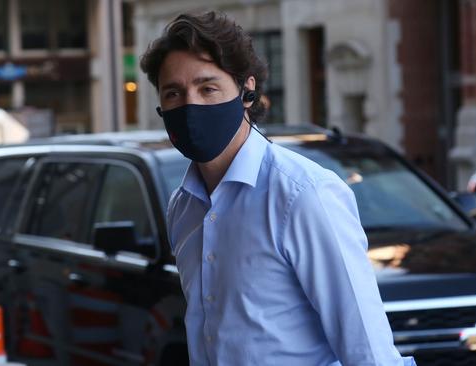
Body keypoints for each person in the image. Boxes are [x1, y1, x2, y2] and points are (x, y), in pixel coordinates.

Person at [140, 11, 416, 366]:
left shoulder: (303, 195)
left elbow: (369, 353)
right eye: (174, 93)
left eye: (208, 88)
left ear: (247, 92)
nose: (191, 105)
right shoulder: (183, 207)